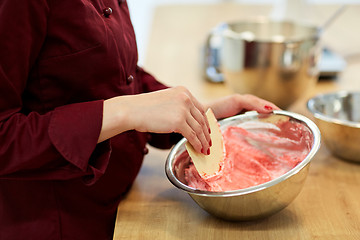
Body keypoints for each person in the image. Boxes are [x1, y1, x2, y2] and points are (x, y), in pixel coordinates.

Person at [0, 1, 278, 239]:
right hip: (61, 224)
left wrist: (195, 114)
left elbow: (110, 73)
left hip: (123, 205)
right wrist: (125, 111)